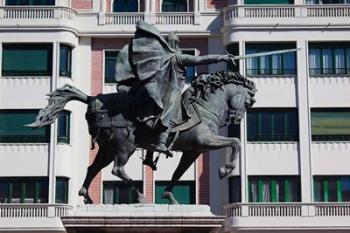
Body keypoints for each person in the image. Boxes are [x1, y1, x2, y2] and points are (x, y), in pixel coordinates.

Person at [128, 21, 233, 154]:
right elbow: (200, 60)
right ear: (175, 45)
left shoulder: (160, 57)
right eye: (178, 44)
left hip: (158, 90)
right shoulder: (177, 57)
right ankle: (161, 141)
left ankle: (149, 155)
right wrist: (221, 57)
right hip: (170, 91)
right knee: (172, 110)